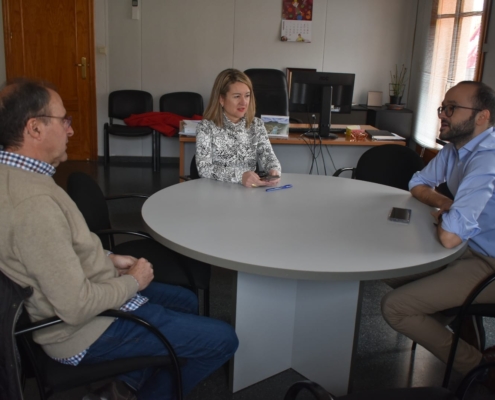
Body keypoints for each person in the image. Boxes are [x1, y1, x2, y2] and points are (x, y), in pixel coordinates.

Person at [0, 78, 238, 400]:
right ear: (34, 129)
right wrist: (132, 283)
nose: (70, 130)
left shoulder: (22, 176)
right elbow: (75, 306)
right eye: (64, 120)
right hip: (82, 332)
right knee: (224, 339)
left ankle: (124, 383)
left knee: (187, 301)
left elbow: (58, 248)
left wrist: (108, 259)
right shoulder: (33, 207)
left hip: (88, 291)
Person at [381, 81, 495, 388]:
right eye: (443, 107)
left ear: (482, 117)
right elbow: (418, 182)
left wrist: (451, 215)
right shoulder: (458, 147)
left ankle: (478, 369)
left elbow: (449, 238)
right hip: (468, 248)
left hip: (489, 261)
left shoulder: (488, 159)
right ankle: (448, 318)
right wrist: (445, 202)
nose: (443, 114)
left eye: (452, 108)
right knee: (384, 269)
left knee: (395, 307)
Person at [196, 68, 282, 188]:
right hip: (216, 193)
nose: (244, 102)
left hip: (248, 193)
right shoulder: (206, 127)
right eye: (237, 96)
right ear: (221, 99)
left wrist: (274, 170)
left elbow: (269, 157)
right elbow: (203, 168)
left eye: (247, 96)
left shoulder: (256, 125)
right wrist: (240, 176)